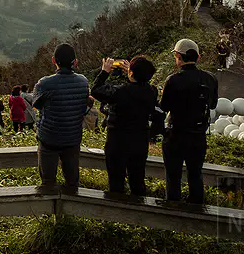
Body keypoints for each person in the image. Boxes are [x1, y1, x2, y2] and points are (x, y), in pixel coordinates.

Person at [160, 38, 218, 204]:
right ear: (198, 57)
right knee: (195, 174)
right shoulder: (210, 79)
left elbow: (164, 107)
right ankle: (196, 211)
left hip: (175, 135)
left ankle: (173, 211)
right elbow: (213, 104)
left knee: (173, 175)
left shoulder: (173, 80)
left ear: (178, 56)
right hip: (198, 136)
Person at [91, 56, 159, 196]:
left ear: (131, 73)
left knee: (116, 182)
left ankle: (117, 213)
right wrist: (133, 71)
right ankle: (139, 212)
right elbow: (142, 83)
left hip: (118, 142)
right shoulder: (152, 91)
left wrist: (105, 71)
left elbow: (96, 90)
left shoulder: (120, 92)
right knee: (137, 180)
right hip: (140, 142)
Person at [33, 43, 89, 188]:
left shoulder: (45, 83)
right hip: (72, 138)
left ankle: (49, 208)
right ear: (75, 62)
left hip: (49, 138)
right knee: (72, 181)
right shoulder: (83, 81)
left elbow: (36, 105)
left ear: (54, 60)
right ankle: (71, 209)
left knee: (48, 181)